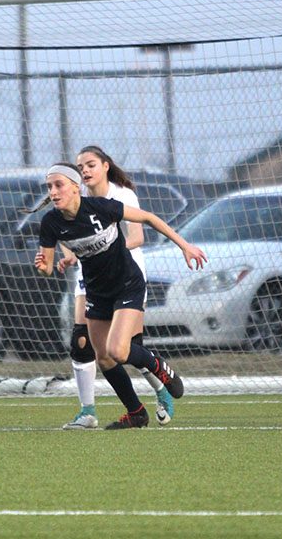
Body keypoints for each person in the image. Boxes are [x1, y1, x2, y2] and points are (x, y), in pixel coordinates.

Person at [34, 163, 207, 429]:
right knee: (102, 356)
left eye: (59, 185)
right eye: (49, 187)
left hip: (127, 284)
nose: (53, 192)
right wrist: (44, 266)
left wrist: (185, 246)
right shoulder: (51, 223)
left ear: (75, 187)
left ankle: (161, 368)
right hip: (97, 292)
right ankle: (136, 412)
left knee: (119, 350)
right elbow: (46, 268)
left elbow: (149, 218)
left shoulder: (102, 207)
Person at [54, 146, 174, 430]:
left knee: (128, 349)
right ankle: (88, 411)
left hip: (125, 275)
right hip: (91, 278)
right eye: (80, 166)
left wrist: (101, 246)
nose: (85, 170)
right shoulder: (76, 199)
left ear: (106, 166)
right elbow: (63, 233)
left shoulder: (122, 195)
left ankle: (162, 390)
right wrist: (70, 253)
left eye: (91, 164)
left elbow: (137, 236)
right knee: (81, 342)